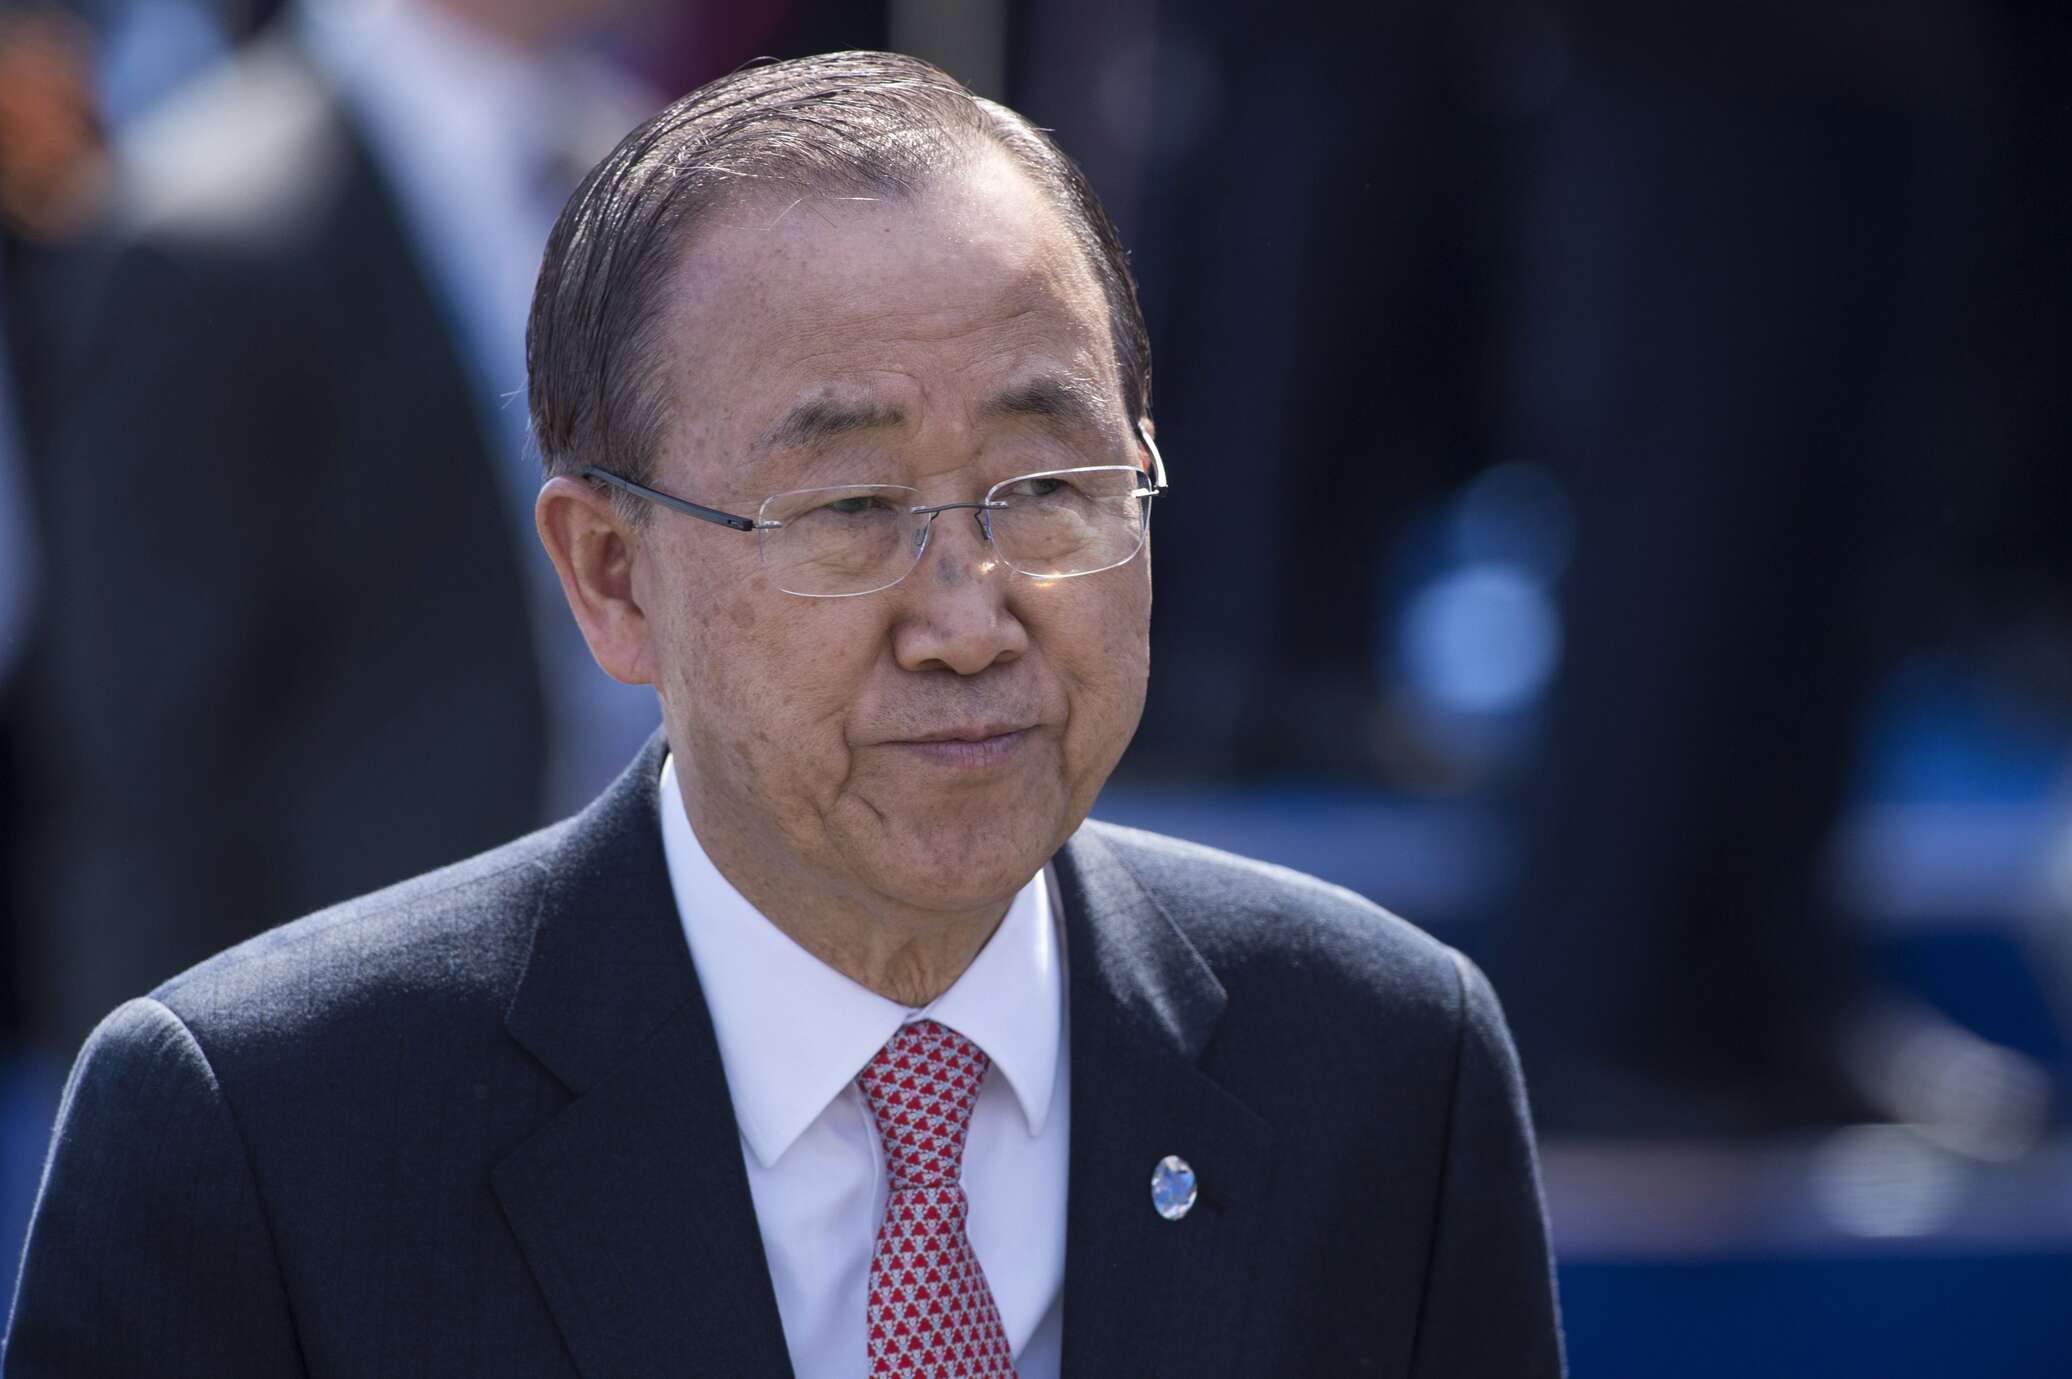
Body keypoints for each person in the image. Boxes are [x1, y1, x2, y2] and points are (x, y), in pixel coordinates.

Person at [3, 52, 1564, 1378]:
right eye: (849, 508)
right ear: (610, 574)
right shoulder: (266, 1139)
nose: (970, 620)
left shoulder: (1380, 1069)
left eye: (1051, 487)